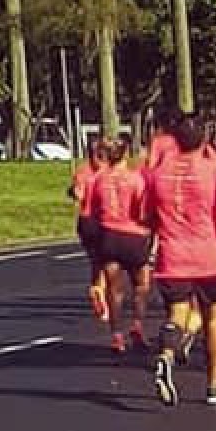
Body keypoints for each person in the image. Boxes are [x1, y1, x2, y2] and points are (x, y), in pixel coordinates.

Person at [144, 112, 216, 408]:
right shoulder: (214, 170)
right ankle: (214, 383)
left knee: (177, 313)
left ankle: (166, 355)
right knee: (214, 318)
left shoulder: (158, 173)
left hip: (173, 255)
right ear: (204, 139)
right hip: (210, 254)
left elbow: (144, 214)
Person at [91, 137, 152, 354]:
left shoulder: (99, 180)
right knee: (142, 285)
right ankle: (137, 324)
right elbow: (143, 211)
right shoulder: (136, 179)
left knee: (114, 290)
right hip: (133, 235)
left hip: (109, 235)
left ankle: (117, 335)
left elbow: (92, 211)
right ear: (126, 154)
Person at [70, 138, 109, 321]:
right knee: (107, 262)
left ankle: (97, 289)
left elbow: (78, 194)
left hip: (85, 222)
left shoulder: (82, 171)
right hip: (101, 221)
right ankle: (101, 292)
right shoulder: (108, 171)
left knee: (96, 261)